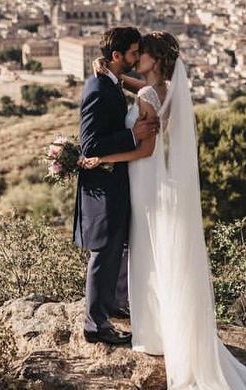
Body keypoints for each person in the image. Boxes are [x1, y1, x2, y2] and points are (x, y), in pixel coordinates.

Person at [83, 32, 246, 390]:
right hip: (154, 179)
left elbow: (143, 149)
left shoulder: (147, 94)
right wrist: (110, 74)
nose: (135, 58)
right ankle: (163, 326)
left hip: (142, 176)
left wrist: (102, 158)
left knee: (146, 253)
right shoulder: (169, 89)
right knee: (155, 253)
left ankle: (153, 329)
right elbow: (139, 86)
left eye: (140, 54)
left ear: (153, 60)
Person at [75, 27, 160, 346]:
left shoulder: (110, 82)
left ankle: (108, 310)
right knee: (103, 254)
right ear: (116, 56)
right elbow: (90, 145)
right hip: (103, 185)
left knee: (112, 253)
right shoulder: (98, 88)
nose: (137, 57)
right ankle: (95, 326)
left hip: (115, 183)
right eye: (133, 53)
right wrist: (132, 136)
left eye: (140, 53)